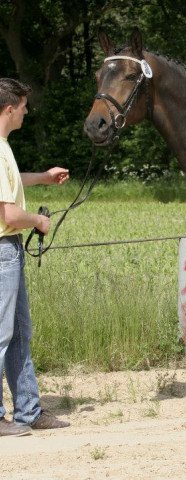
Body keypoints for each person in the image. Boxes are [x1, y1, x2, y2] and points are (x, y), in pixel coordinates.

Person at [0, 78, 71, 436]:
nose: (27, 111)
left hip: (8, 252)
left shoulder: (3, 147)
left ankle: (28, 410)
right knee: (1, 335)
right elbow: (10, 215)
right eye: (24, 107)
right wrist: (39, 221)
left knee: (18, 334)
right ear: (10, 109)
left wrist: (43, 178)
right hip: (2, 252)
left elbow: (11, 184)